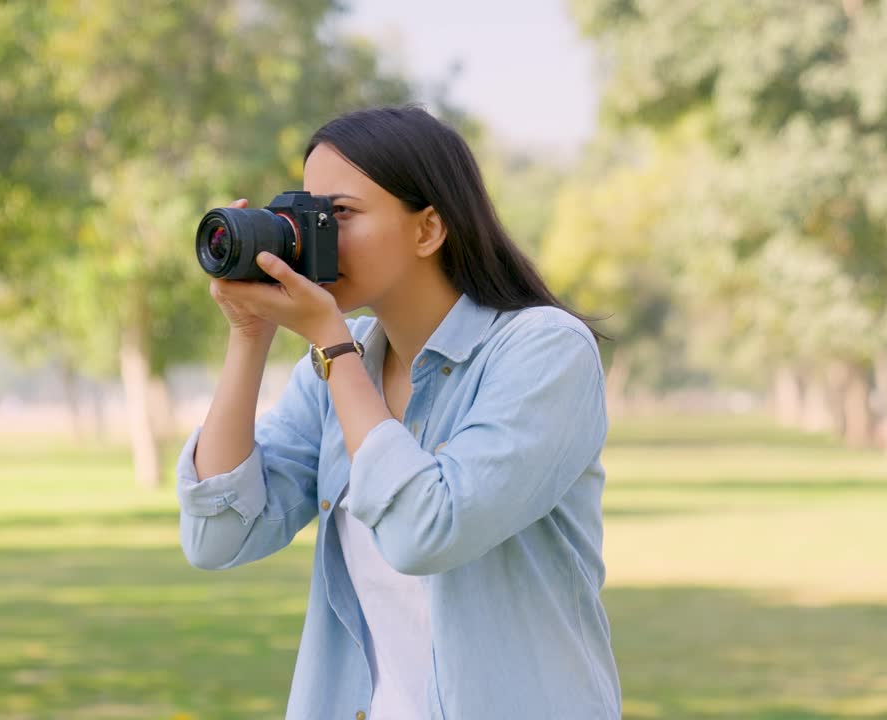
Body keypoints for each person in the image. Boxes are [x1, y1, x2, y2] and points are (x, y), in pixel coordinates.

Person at [176, 105, 620, 719]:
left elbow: (423, 533)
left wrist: (332, 345)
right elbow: (217, 535)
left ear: (428, 229)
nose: (313, 234)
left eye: (340, 214)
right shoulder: (341, 362)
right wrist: (249, 334)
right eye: (304, 212)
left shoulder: (543, 351)